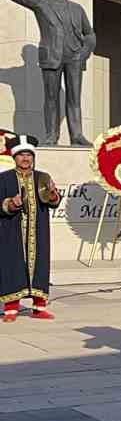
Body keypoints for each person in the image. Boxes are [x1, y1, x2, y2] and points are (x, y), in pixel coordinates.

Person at [0, 0, 96, 146]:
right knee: (51, 99)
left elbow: (89, 34)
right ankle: (51, 135)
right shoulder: (40, 3)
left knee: (74, 99)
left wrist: (84, 52)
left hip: (74, 56)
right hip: (51, 56)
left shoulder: (77, 8)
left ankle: (77, 135)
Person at [0, 134, 62, 322]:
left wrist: (53, 196)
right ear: (14, 157)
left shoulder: (43, 177)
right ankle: (11, 308)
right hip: (12, 231)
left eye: (29, 155)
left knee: (40, 266)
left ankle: (39, 306)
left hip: (38, 230)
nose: (26, 158)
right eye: (21, 155)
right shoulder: (4, 179)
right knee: (12, 264)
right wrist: (10, 204)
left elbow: (54, 202)